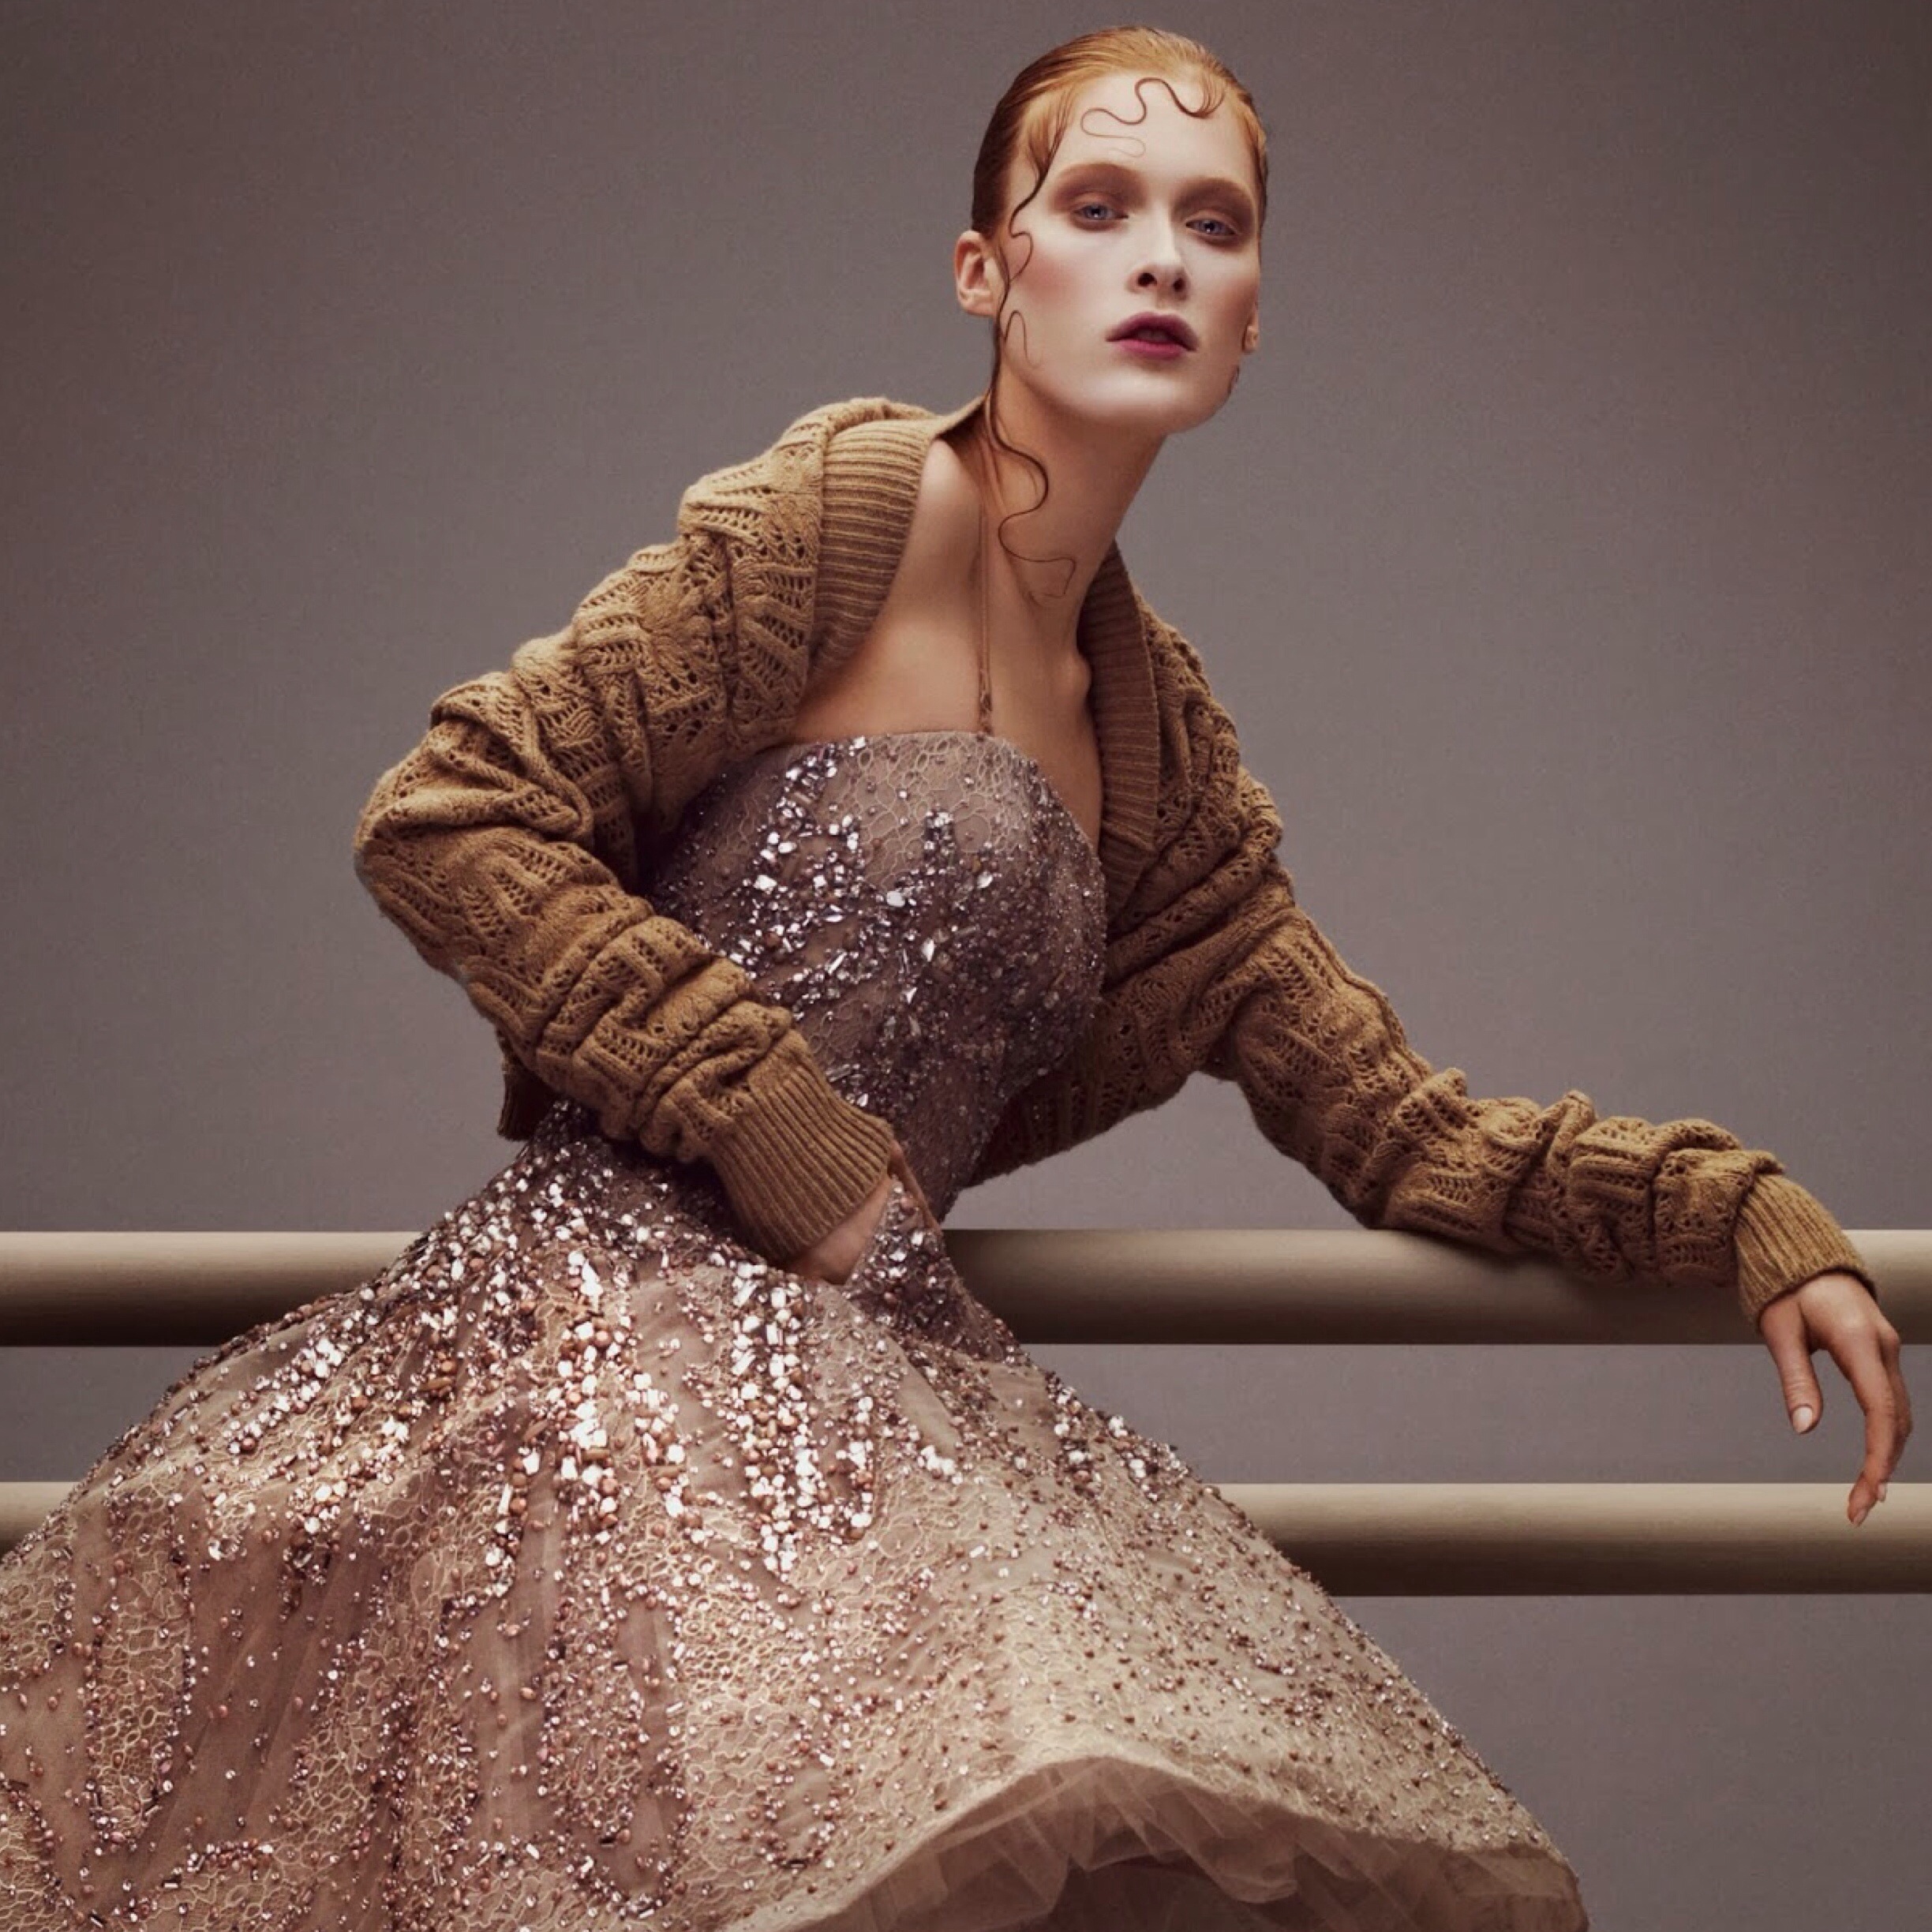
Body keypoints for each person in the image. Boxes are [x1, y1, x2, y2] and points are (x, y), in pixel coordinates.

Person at [0, 24, 1909, 1932]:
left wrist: (1744, 1216)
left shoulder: (1176, 789)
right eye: (1099, 205)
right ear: (984, 273)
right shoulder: (843, 517)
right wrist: (788, 1141)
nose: (1161, 257)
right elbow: (452, 813)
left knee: (1124, 1812)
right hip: (596, 1357)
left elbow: (1408, 1136)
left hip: (866, 1395)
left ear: (1253, 322)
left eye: (1213, 224)